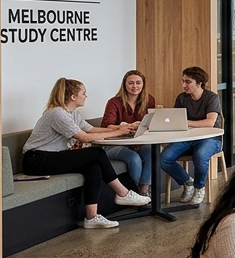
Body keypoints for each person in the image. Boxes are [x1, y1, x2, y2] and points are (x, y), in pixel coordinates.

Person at [23, 77, 150, 229]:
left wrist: (121, 128)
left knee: (93, 167)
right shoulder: (57, 113)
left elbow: (91, 129)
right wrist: (117, 133)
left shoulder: (73, 114)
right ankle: (122, 193)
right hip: (36, 160)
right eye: (84, 93)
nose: (86, 96)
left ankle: (91, 217)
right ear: (73, 97)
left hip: (50, 157)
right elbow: (84, 137)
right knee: (96, 153)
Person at [159, 66, 222, 205]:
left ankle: (199, 187)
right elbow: (176, 119)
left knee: (200, 155)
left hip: (210, 139)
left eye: (188, 82)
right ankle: (187, 182)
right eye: (183, 81)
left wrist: (187, 122)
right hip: (187, 138)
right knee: (164, 158)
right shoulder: (182, 98)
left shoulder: (211, 97)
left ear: (199, 83)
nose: (184, 85)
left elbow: (210, 122)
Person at [101, 69, 156, 197]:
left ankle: (144, 189)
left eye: (138, 83)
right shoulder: (114, 102)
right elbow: (106, 125)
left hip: (139, 141)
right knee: (134, 158)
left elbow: (151, 121)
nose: (135, 86)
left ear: (143, 84)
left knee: (153, 152)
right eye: (131, 83)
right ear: (124, 85)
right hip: (115, 144)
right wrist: (125, 126)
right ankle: (135, 193)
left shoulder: (149, 100)